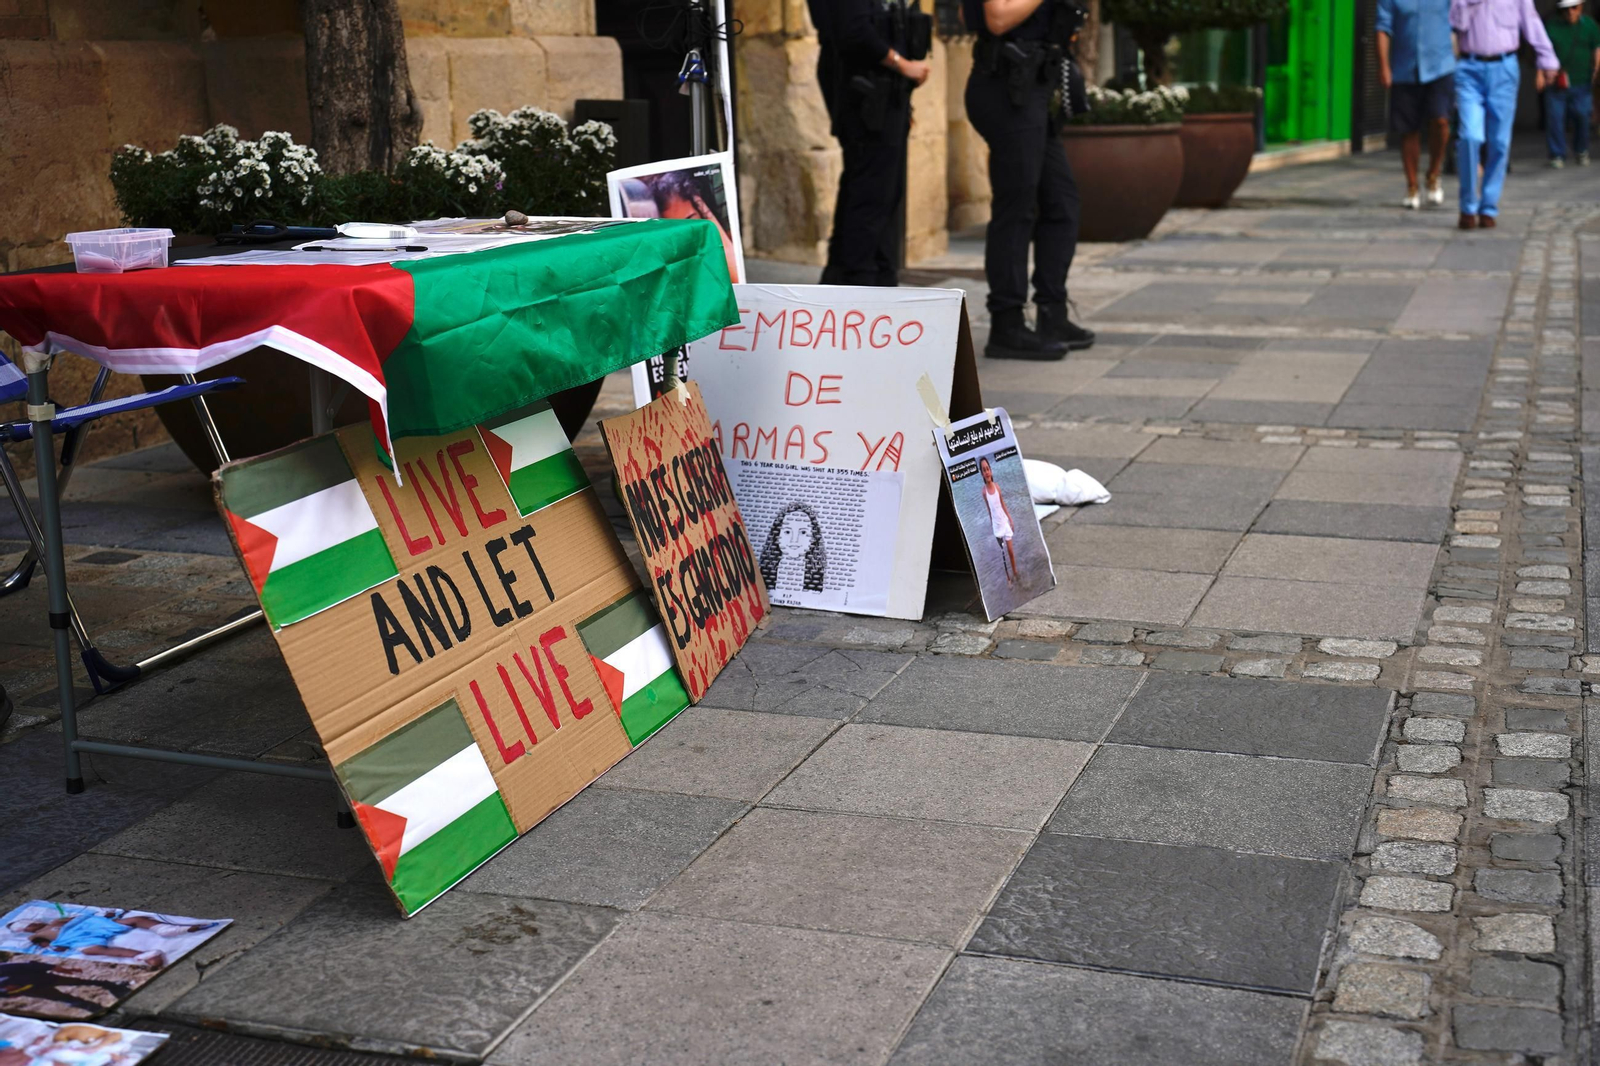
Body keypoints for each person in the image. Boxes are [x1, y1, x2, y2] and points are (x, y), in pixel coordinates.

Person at [964, 0, 1094, 359]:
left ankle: (1052, 312)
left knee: (1061, 202)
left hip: (1031, 86)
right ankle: (1006, 324)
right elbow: (996, 18)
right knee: (1017, 207)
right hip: (1007, 88)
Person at [807, 0, 931, 286]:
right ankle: (861, 280)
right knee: (871, 191)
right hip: (867, 91)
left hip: (881, 91)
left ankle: (853, 276)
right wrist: (902, 65)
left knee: (875, 187)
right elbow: (854, 31)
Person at [1451, 0, 1560, 229]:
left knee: (1499, 142)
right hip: (1469, 69)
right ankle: (1468, 206)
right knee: (1470, 137)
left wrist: (1547, 58)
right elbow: (1454, 24)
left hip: (1504, 68)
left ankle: (1488, 206)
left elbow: (1531, 22)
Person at [1376, 0, 1456, 208]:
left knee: (1441, 121)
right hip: (1404, 69)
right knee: (1408, 130)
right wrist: (1384, 66)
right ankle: (1412, 185)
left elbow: (1461, 20)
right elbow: (1383, 28)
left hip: (1441, 67)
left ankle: (1433, 173)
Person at [1544, 0, 1600, 166]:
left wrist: (1596, 70)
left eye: (1574, 8)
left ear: (1581, 7)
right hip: (1556, 81)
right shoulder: (1551, 26)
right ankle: (1557, 154)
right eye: (1566, 9)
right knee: (1555, 118)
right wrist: (1541, 73)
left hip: (1582, 80)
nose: (1570, 12)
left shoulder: (1590, 25)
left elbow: (1597, 48)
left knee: (1583, 115)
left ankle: (1581, 149)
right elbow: (1543, 50)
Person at [759, 504, 827, 592]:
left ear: (813, 537)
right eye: (787, 532)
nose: (794, 540)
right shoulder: (764, 572)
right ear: (777, 535)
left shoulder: (818, 576)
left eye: (803, 532)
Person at [978, 457, 1018, 583]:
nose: (986, 472)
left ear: (991, 470)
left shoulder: (997, 487)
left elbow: (1002, 504)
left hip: (1004, 522)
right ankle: (1008, 579)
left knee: (1010, 551)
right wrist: (992, 525)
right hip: (997, 527)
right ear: (982, 474)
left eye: (987, 469)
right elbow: (989, 509)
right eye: (984, 470)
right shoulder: (984, 492)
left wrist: (1010, 519)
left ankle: (1015, 573)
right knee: (1003, 556)